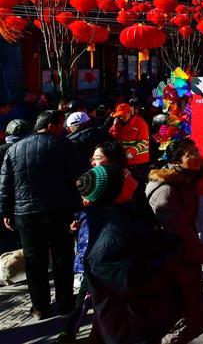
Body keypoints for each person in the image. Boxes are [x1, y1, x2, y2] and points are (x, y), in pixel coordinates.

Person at [76, 164, 177, 344]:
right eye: (122, 174)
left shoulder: (124, 212)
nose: (128, 172)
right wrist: (169, 254)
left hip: (142, 320)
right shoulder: (110, 238)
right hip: (131, 329)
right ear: (116, 189)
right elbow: (135, 283)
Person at [0, 109, 80, 319]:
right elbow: (77, 178)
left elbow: (5, 184)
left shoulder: (14, 149)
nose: (63, 129)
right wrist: (78, 209)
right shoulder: (64, 145)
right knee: (63, 256)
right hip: (58, 210)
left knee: (34, 260)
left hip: (25, 214)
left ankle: (40, 307)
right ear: (52, 125)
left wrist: (6, 211)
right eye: (61, 125)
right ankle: (64, 302)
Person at [146, 139, 203, 343]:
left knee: (190, 311)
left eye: (196, 151)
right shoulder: (167, 190)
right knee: (182, 314)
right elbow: (181, 232)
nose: (196, 156)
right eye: (189, 154)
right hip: (171, 259)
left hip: (182, 254)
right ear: (175, 160)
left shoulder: (185, 179)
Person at [57, 141, 130, 343]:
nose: (94, 163)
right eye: (93, 159)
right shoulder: (94, 179)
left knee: (97, 295)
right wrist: (78, 219)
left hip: (107, 250)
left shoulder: (122, 180)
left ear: (112, 162)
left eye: (99, 159)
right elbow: (82, 208)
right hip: (91, 244)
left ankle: (73, 331)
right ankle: (75, 331)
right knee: (90, 293)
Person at [109, 102, 151, 182]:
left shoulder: (141, 123)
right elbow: (112, 137)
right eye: (120, 115)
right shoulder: (118, 123)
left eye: (124, 115)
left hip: (139, 161)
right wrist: (114, 126)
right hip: (123, 160)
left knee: (139, 184)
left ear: (129, 113)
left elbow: (144, 141)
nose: (121, 117)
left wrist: (131, 152)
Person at [66, 111, 108, 175]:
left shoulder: (69, 143)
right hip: (104, 174)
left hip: (83, 177)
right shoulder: (104, 135)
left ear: (68, 128)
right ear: (88, 122)